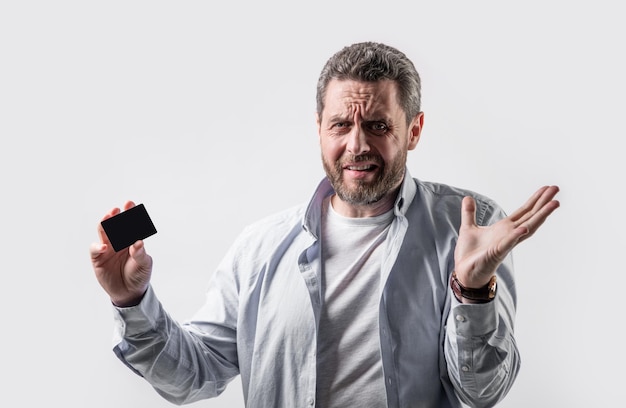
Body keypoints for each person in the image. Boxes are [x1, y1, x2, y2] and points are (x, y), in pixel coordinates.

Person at [90, 41, 560, 408]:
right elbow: (192, 376)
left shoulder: (468, 228)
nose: (357, 145)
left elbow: (483, 392)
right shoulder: (259, 248)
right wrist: (130, 301)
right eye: (340, 125)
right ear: (318, 127)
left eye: (378, 125)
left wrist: (473, 291)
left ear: (414, 130)